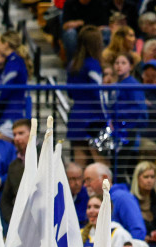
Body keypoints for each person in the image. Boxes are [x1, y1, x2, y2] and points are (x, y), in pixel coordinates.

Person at [67, 26, 106, 167]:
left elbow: (70, 92)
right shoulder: (93, 65)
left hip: (76, 116)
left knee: (79, 165)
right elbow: (98, 93)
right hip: (93, 118)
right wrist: (106, 117)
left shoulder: (73, 64)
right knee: (101, 164)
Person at [83, 162, 146, 239]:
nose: (85, 185)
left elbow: (138, 231)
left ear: (104, 178)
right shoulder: (94, 200)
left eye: (89, 180)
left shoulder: (123, 197)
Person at [0, 119, 33, 226]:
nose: (17, 138)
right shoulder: (13, 166)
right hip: (22, 223)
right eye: (14, 134)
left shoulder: (47, 157)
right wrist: (13, 221)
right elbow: (6, 200)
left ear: (32, 133)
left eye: (21, 133)